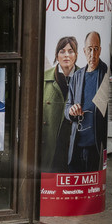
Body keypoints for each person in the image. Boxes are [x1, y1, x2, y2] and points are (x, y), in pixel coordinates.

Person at [65, 31, 112, 172]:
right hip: (76, 144)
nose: (93, 54)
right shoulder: (77, 76)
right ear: (84, 51)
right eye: (89, 49)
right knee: (75, 186)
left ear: (100, 50)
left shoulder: (105, 74)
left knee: (92, 184)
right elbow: (67, 107)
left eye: (96, 49)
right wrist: (71, 111)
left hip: (95, 145)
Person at [41, 36, 80, 170]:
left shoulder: (85, 78)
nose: (66, 55)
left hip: (75, 143)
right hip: (50, 144)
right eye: (62, 51)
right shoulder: (44, 78)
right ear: (57, 55)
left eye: (70, 51)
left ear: (76, 55)